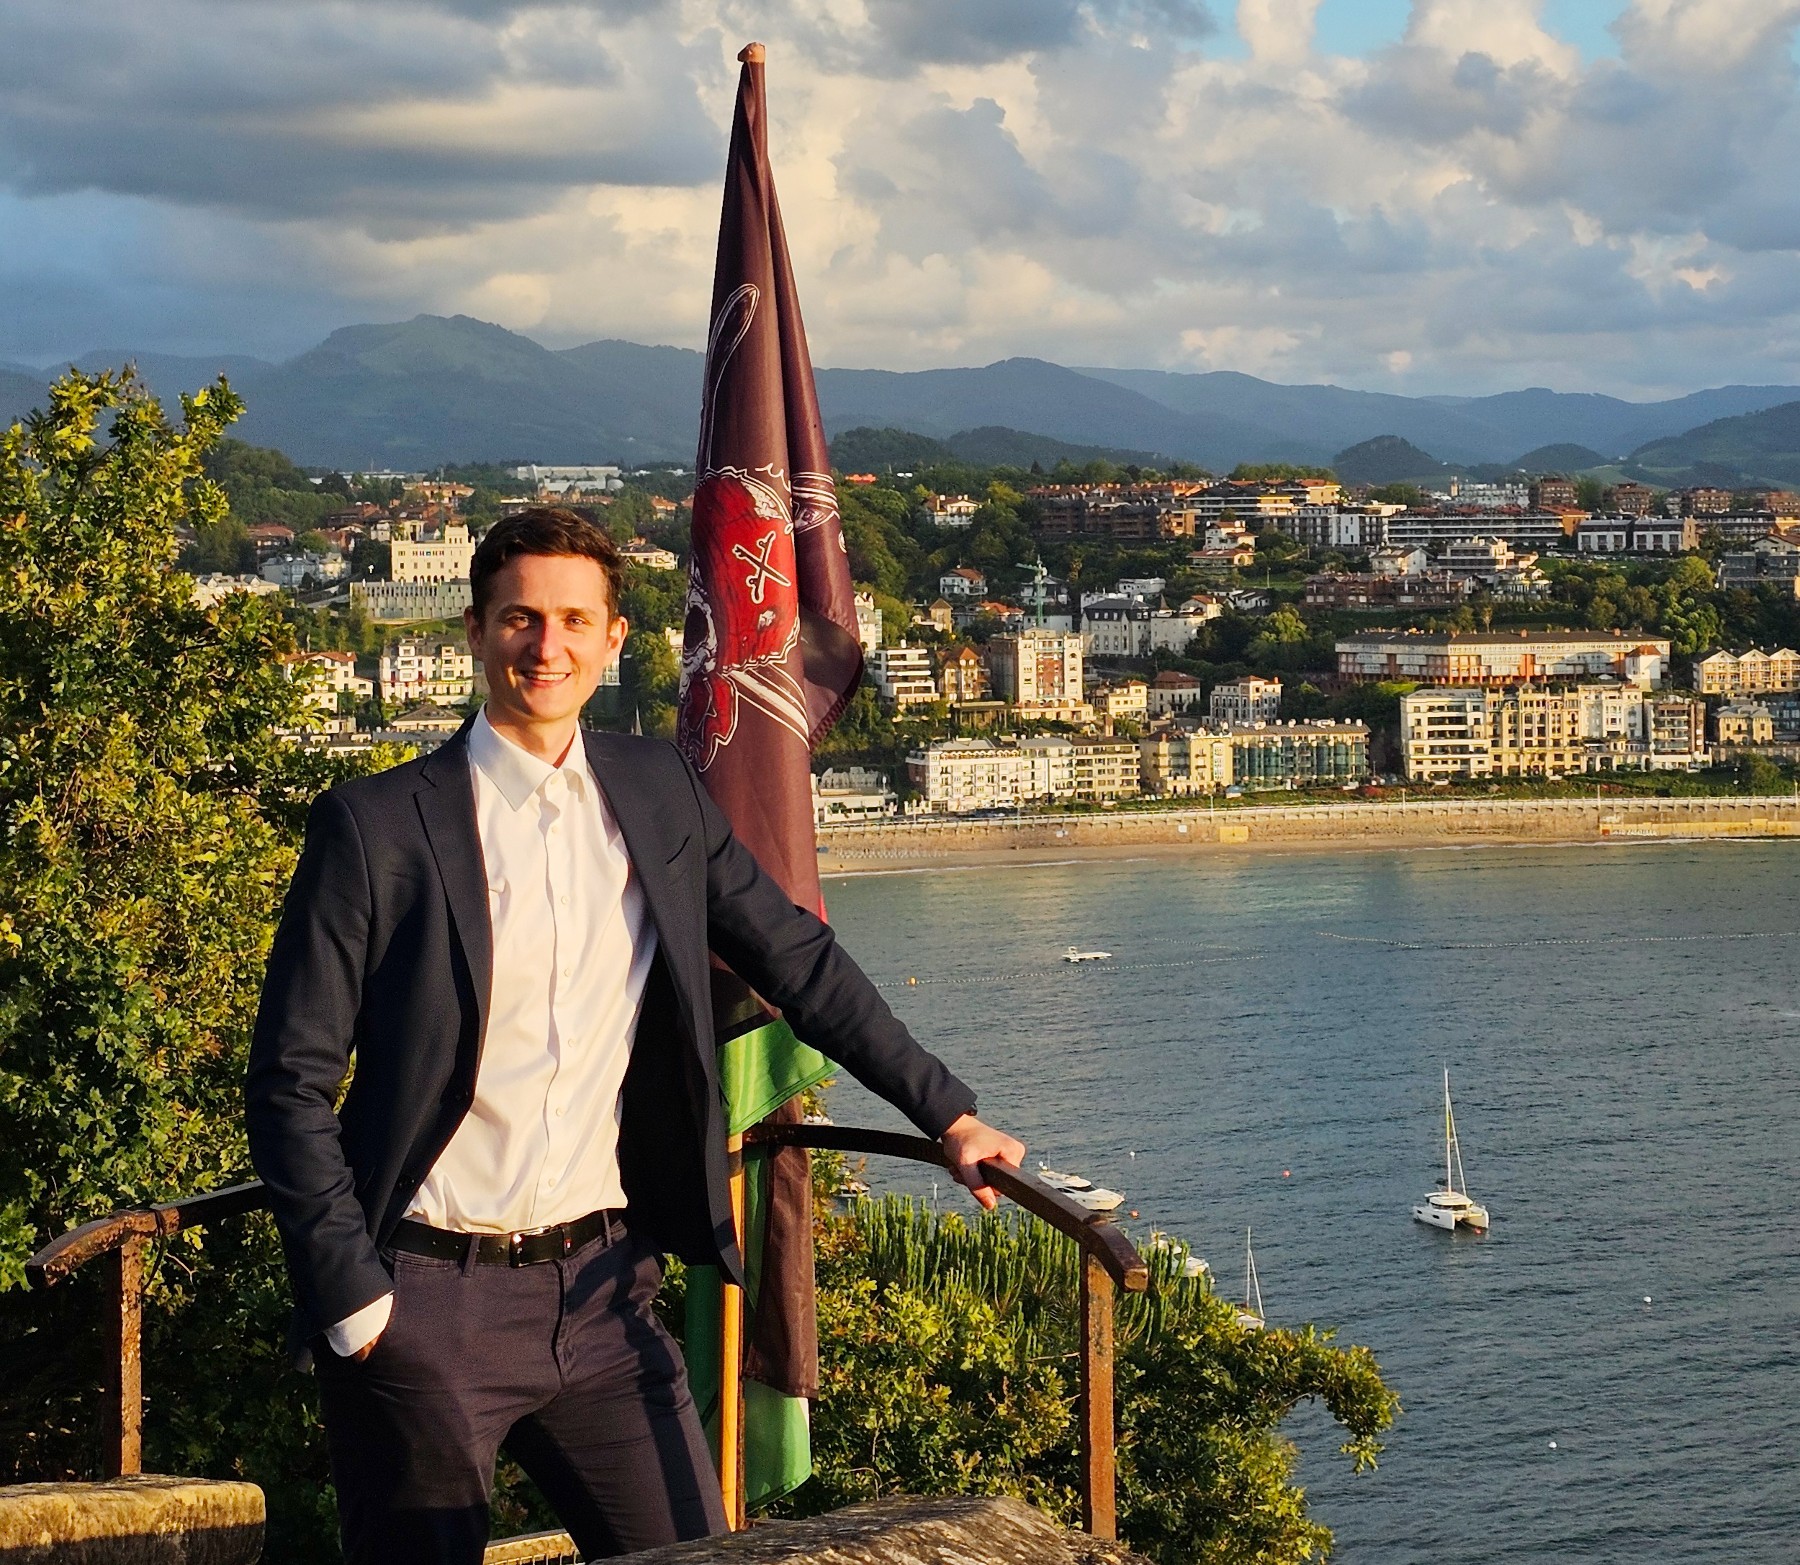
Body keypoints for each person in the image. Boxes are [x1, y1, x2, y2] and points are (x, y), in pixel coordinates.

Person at [245, 507, 1024, 1565]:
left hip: (606, 1293)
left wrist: (948, 1112)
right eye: (520, 617)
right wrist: (355, 1297)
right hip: (425, 1305)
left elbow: (797, 959)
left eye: (575, 620)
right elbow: (289, 1081)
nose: (547, 645)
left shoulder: (657, 791)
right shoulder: (377, 824)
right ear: (475, 629)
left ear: (615, 638)